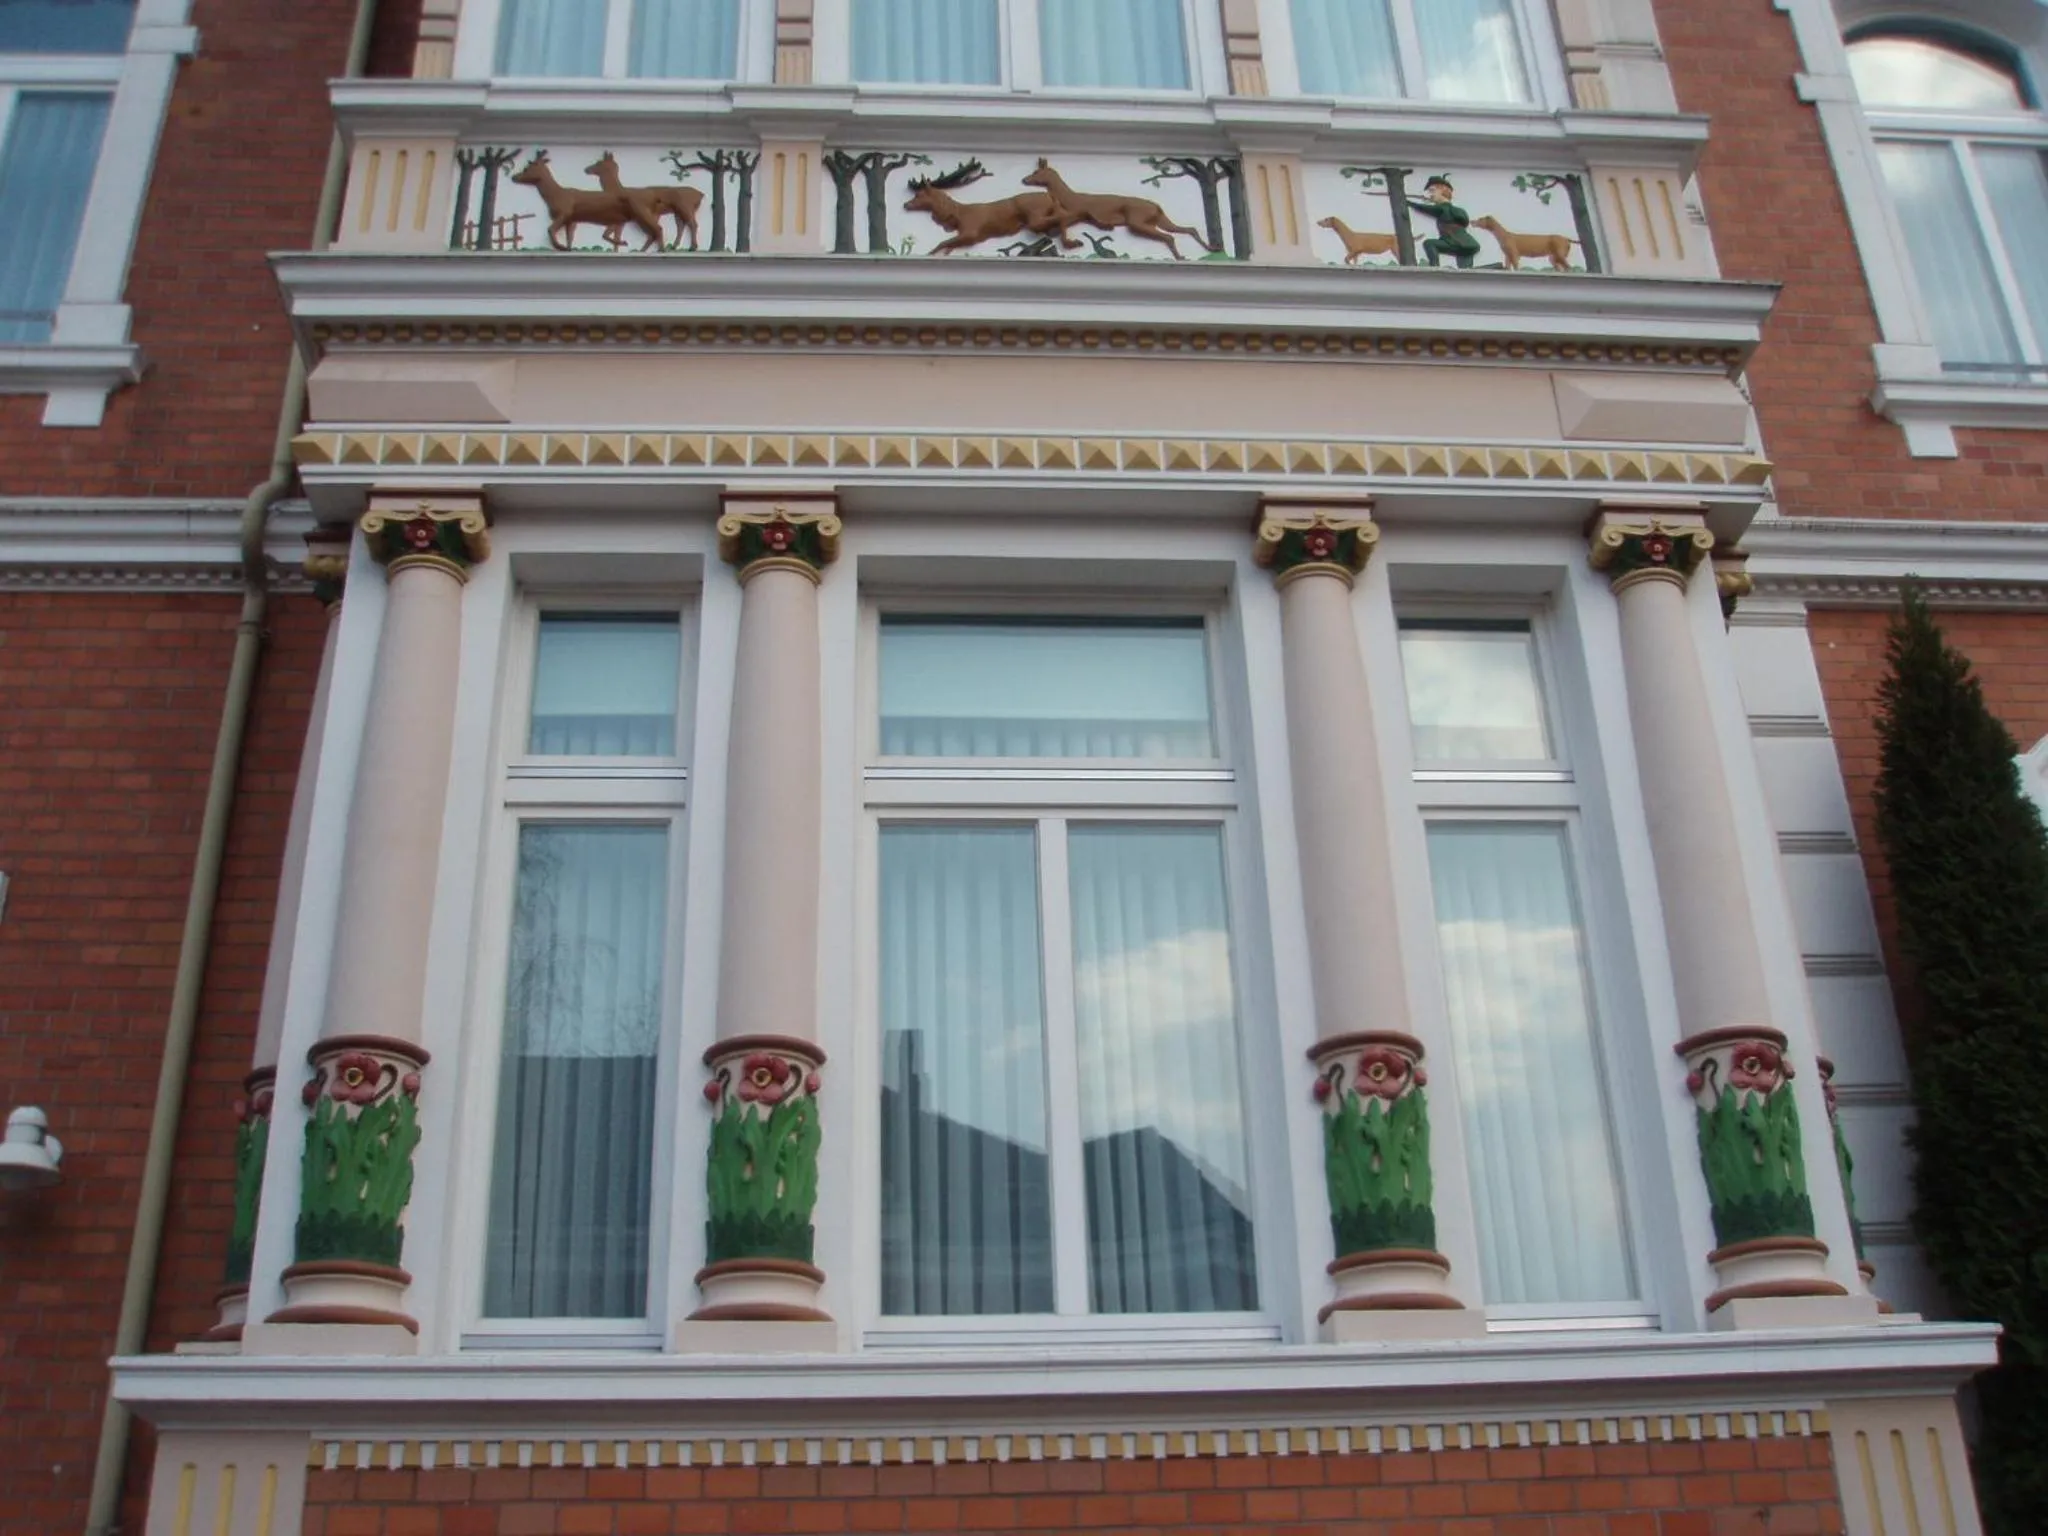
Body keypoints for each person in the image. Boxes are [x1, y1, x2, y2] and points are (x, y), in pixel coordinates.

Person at [1407, 175, 1480, 268]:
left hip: (1456, 242)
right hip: (1467, 244)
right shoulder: (1454, 209)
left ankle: (1434, 266)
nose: (1430, 195)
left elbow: (1426, 208)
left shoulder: (1444, 208)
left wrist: (1410, 203)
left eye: (1432, 191)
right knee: (1466, 270)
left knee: (1429, 243)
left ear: (1442, 190)